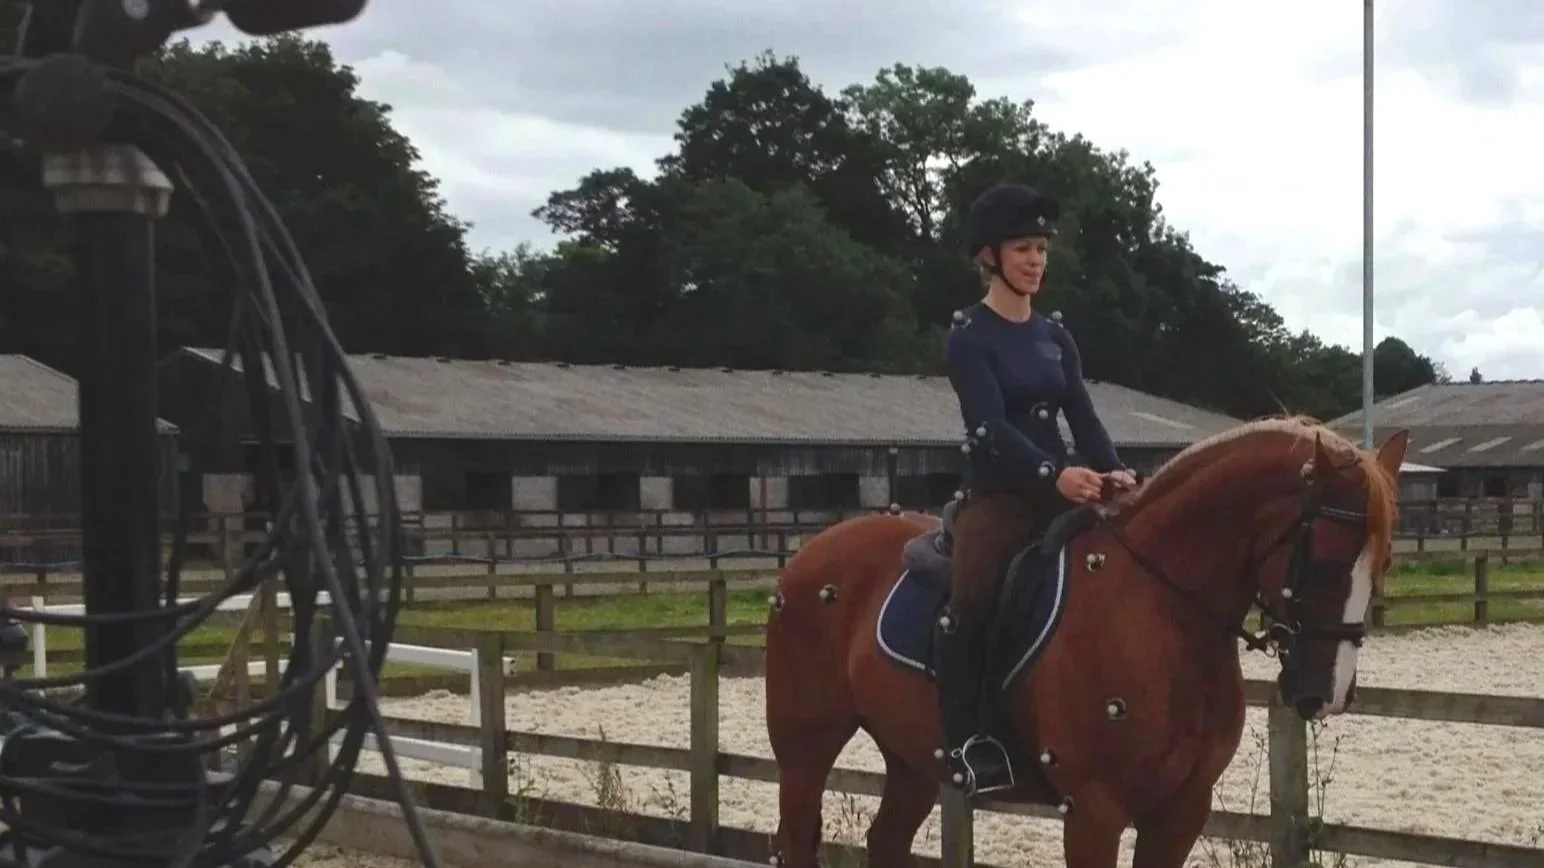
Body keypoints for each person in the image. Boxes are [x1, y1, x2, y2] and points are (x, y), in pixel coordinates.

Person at [935, 182, 1137, 797]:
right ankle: (970, 743)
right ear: (989, 257)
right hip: (998, 498)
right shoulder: (969, 335)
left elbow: (1084, 416)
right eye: (1024, 248)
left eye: (1042, 250)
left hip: (1065, 489)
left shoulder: (1055, 335)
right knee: (970, 602)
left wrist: (1113, 469)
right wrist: (1054, 473)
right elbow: (988, 429)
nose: (1037, 261)